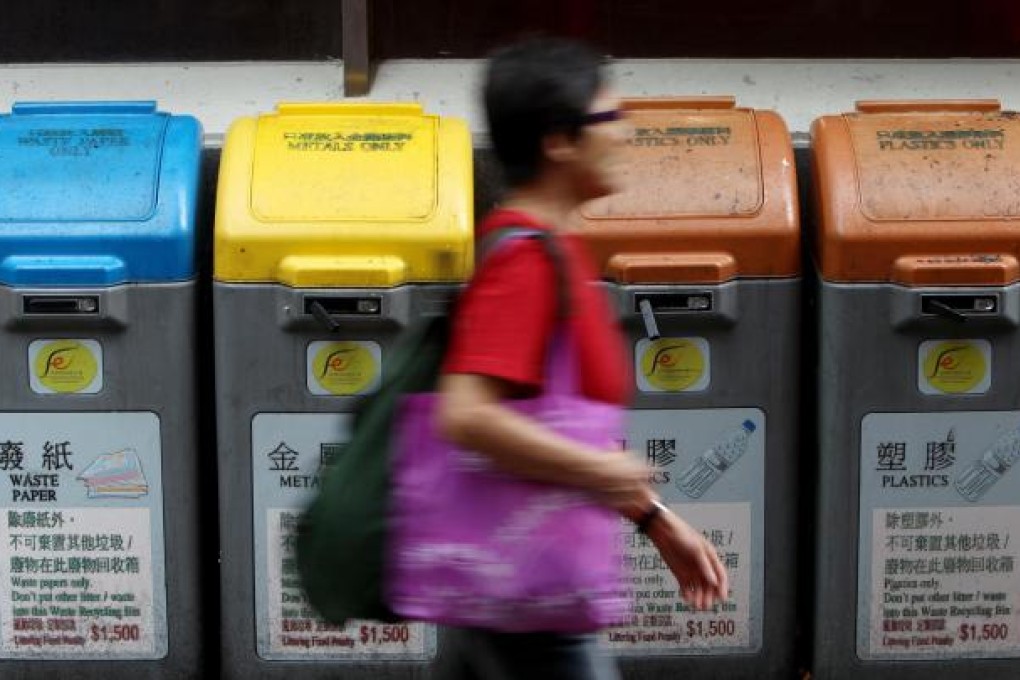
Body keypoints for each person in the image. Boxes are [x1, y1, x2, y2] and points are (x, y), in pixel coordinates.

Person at [432, 37, 729, 679]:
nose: (623, 136)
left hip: (531, 591)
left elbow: (553, 420)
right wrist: (606, 472)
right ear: (558, 141)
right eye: (608, 120)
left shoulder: (552, 253)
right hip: (532, 606)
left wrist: (654, 521)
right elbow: (468, 415)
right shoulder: (525, 262)